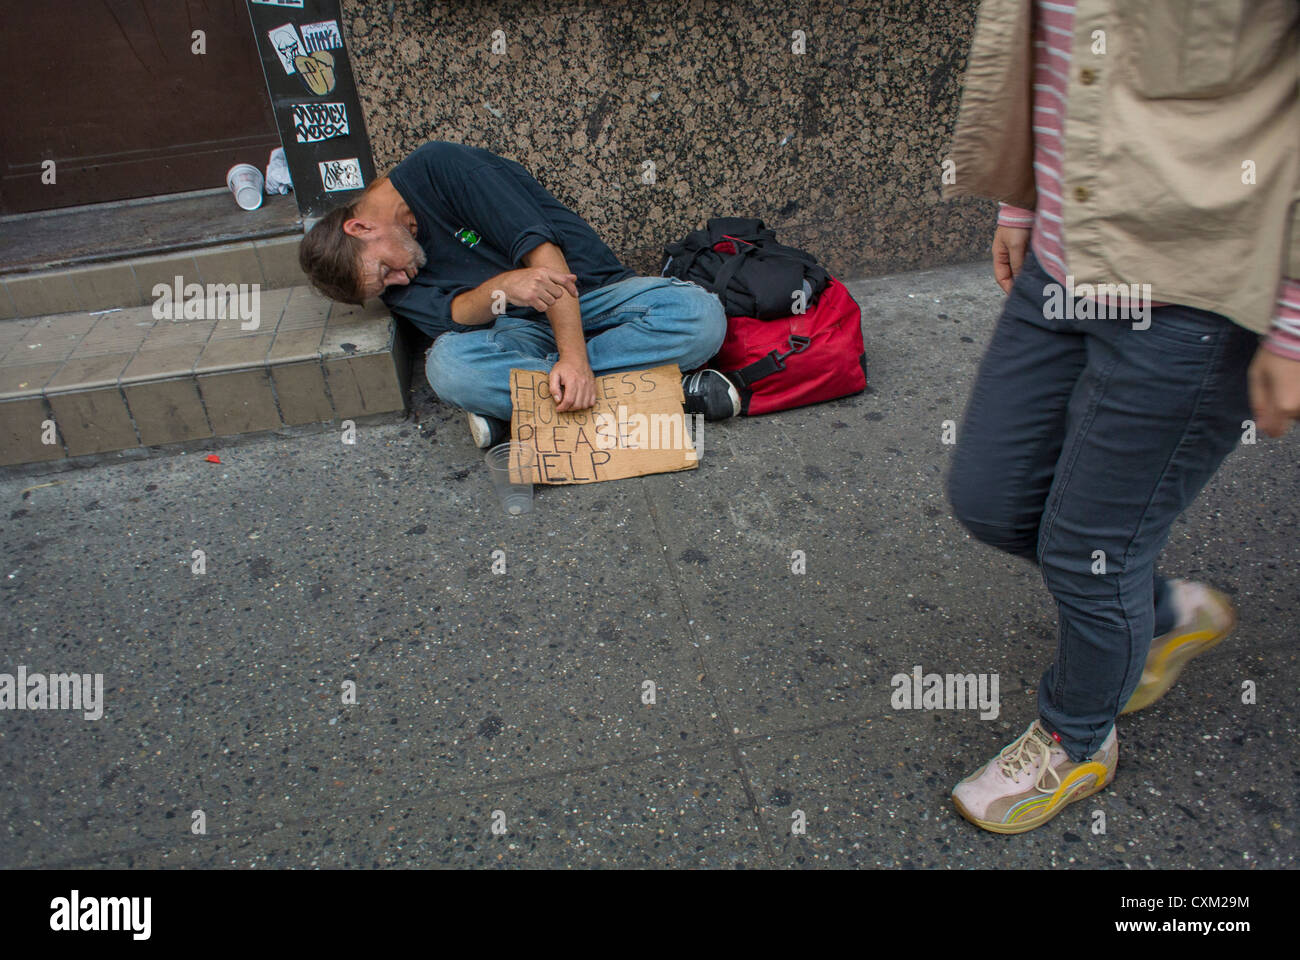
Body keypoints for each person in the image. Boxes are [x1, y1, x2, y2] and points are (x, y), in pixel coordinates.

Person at [942, 0, 1300, 833]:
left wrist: (1292, 320)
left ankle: (1078, 736)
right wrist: (1020, 199)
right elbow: (1048, 44)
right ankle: (1159, 614)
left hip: (1197, 291)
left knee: (1087, 554)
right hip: (1066, 259)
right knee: (990, 500)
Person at [299, 141, 738, 447]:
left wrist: (575, 359)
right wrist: (500, 289)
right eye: (383, 287)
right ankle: (660, 393)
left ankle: (525, 409)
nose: (397, 282)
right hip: (516, 333)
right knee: (450, 368)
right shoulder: (397, 279)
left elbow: (545, 256)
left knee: (698, 314)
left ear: (360, 228)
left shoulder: (441, 167)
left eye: (384, 270)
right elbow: (453, 317)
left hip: (592, 297)